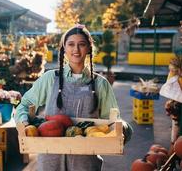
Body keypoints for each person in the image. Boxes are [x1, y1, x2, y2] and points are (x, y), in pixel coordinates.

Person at [14, 24, 132, 171]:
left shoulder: (100, 84)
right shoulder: (50, 78)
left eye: (81, 44)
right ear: (64, 48)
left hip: (85, 163)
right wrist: (24, 124)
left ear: (89, 48)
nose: (76, 50)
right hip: (50, 160)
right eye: (71, 44)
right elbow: (24, 104)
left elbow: (113, 121)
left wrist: (123, 129)